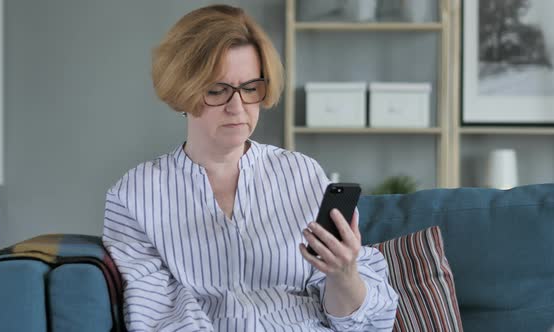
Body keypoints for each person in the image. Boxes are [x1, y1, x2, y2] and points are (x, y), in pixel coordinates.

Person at [102, 4, 398, 331]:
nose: (237, 106)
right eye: (218, 90)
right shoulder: (133, 195)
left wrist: (344, 274)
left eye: (249, 88)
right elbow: (154, 315)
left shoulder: (302, 174)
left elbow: (359, 322)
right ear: (183, 90)